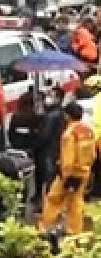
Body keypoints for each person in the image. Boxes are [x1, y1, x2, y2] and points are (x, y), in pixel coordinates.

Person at [40, 101, 97, 236]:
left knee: (53, 199)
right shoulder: (88, 131)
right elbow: (93, 154)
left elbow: (68, 159)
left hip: (70, 174)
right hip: (84, 172)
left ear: (67, 116)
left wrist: (65, 176)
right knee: (76, 202)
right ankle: (74, 230)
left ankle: (46, 227)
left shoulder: (69, 134)